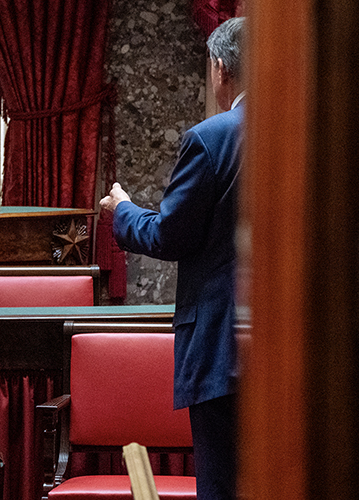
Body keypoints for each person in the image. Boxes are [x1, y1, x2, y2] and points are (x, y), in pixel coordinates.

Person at [99, 17, 246, 500]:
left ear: (220, 68)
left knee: (223, 486)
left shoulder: (212, 137)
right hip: (303, 348)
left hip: (224, 349)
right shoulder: (314, 134)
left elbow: (169, 236)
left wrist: (123, 211)